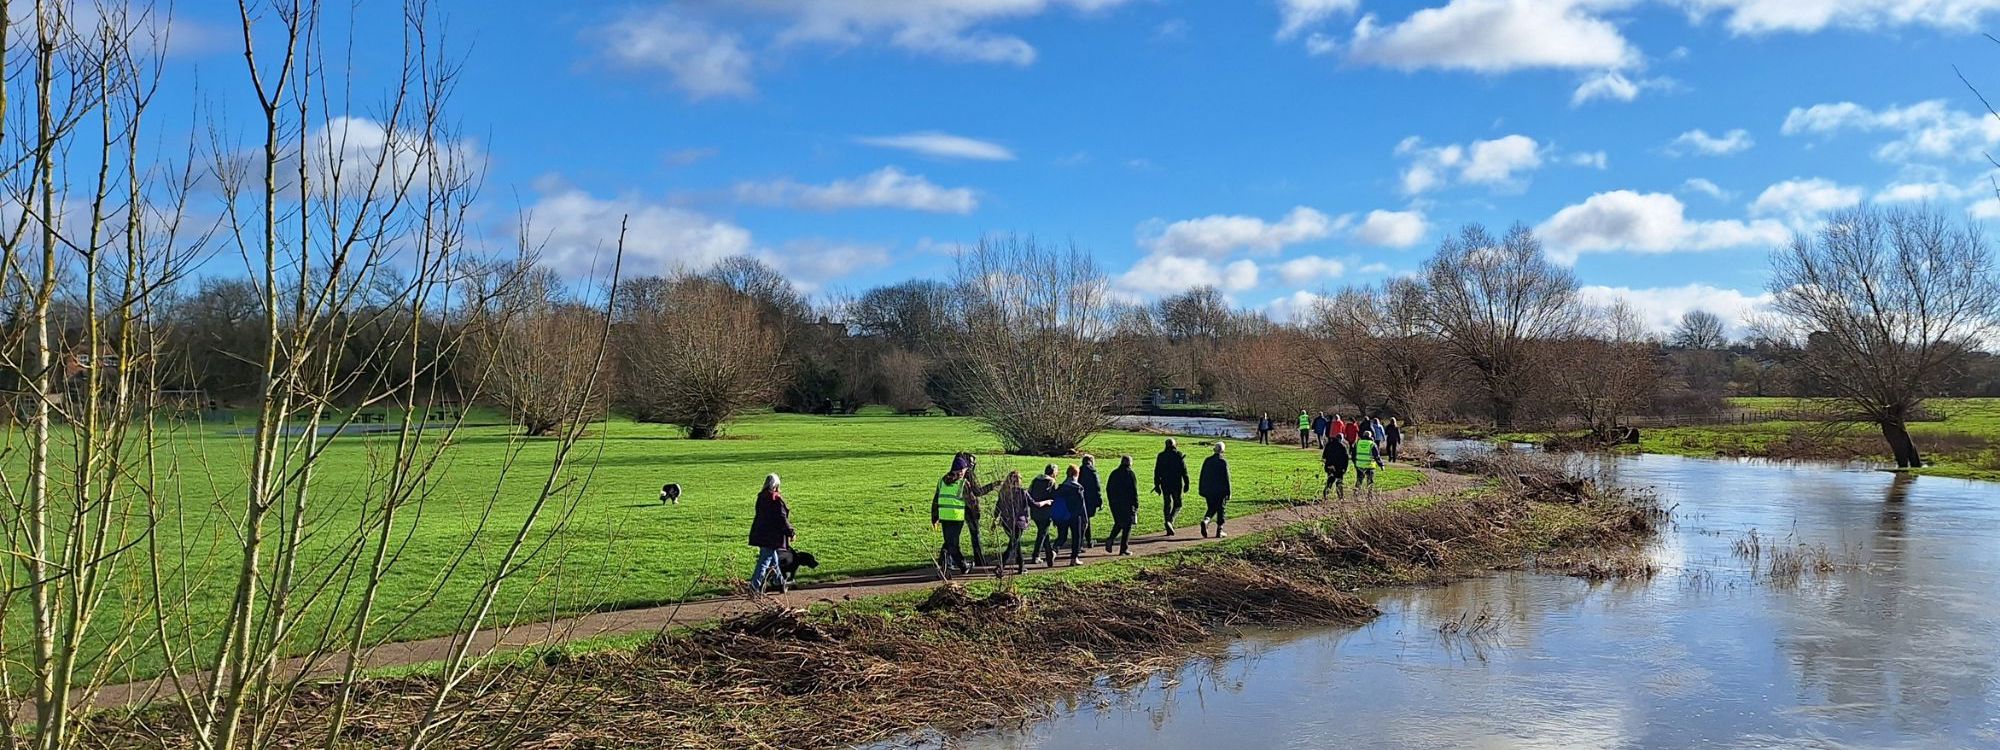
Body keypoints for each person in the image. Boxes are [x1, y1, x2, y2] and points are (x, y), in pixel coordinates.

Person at [748, 474, 794, 594]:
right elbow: (782, 518)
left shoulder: (761, 496)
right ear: (776, 485)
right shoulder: (775, 498)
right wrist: (791, 532)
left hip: (760, 532)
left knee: (773, 559)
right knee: (764, 561)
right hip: (772, 535)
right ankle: (754, 586)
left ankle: (780, 582)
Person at [955, 453, 1001, 566]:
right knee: (975, 534)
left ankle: (946, 559)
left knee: (953, 535)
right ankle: (979, 559)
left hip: (956, 507)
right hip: (970, 508)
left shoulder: (953, 474)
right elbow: (978, 491)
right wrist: (993, 485)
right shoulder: (969, 474)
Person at [931, 465, 972, 576]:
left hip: (944, 516)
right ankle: (961, 565)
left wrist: (934, 517)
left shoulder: (942, 481)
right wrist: (975, 514)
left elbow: (936, 500)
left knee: (950, 543)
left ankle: (946, 566)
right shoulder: (963, 483)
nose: (965, 471)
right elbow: (971, 501)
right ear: (960, 470)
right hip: (956, 517)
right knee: (951, 544)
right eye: (964, 469)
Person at [992, 471, 1033, 574]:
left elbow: (998, 507)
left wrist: (994, 519)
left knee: (1015, 543)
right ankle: (1001, 566)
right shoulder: (1022, 492)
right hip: (1018, 522)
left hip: (1006, 522)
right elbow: (1033, 503)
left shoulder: (1003, 492)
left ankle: (1021, 566)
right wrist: (1045, 502)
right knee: (1013, 544)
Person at [1153, 438, 1190, 536]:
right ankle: (1170, 520)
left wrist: (1156, 485)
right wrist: (1187, 483)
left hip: (1165, 483)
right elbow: (1184, 471)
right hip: (1176, 483)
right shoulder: (1178, 455)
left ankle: (1167, 521)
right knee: (1178, 504)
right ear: (1174, 445)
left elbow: (1157, 472)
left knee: (1167, 503)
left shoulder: (1161, 456)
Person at [1104, 455, 1139, 555]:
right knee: (1127, 525)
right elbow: (1133, 491)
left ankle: (1111, 539)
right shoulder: (1130, 474)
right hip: (1126, 503)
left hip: (1115, 503)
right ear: (1130, 463)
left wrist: (1112, 500)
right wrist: (1135, 504)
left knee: (1119, 522)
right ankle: (1123, 548)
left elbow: (1108, 488)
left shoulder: (1114, 473)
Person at [1053, 466, 1087, 566]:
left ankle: (1054, 550)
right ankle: (1074, 558)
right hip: (1075, 516)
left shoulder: (1061, 487)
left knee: (1062, 536)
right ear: (1076, 474)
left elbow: (1057, 503)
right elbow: (1082, 505)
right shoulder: (1078, 488)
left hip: (1063, 515)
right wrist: (1085, 519)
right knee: (1076, 537)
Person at [1198, 442, 1231, 538]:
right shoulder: (1222, 462)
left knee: (1211, 507)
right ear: (1223, 451)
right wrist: (1228, 492)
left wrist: (1201, 488)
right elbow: (1226, 478)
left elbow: (1202, 476)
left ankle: (1206, 520)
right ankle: (1219, 530)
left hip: (1209, 490)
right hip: (1220, 490)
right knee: (1221, 509)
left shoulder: (1207, 461)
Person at [1028, 464, 1059, 566]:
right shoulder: (1051, 482)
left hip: (1035, 510)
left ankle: (1049, 555)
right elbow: (1054, 498)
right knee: (1042, 534)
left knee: (1044, 533)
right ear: (1053, 472)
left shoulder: (1035, 480)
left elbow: (1029, 493)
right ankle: (1036, 555)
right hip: (1046, 511)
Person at [1079, 454, 1103, 546]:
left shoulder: (1079, 470)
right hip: (1089, 498)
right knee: (1087, 519)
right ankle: (1087, 541)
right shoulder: (1093, 471)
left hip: (1080, 498)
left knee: (1082, 519)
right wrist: (1099, 500)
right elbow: (1097, 487)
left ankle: (1084, 540)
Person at [1322, 431, 1350, 500]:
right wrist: (1345, 468)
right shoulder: (1342, 446)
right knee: (1339, 482)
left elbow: (1324, 456)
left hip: (1329, 466)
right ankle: (1340, 497)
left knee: (1330, 480)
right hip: (1339, 468)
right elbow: (1346, 458)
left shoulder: (1329, 445)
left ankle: (1325, 494)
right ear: (1341, 439)